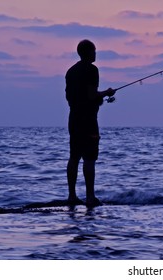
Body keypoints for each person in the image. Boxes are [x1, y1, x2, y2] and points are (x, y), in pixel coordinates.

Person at [65, 39, 115, 207]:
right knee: (89, 159)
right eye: (94, 51)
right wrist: (107, 93)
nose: (95, 54)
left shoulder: (70, 71)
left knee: (74, 157)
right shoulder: (92, 70)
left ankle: (71, 196)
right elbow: (91, 95)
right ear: (88, 53)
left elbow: (72, 98)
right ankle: (90, 197)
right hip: (88, 121)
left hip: (74, 119)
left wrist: (99, 97)